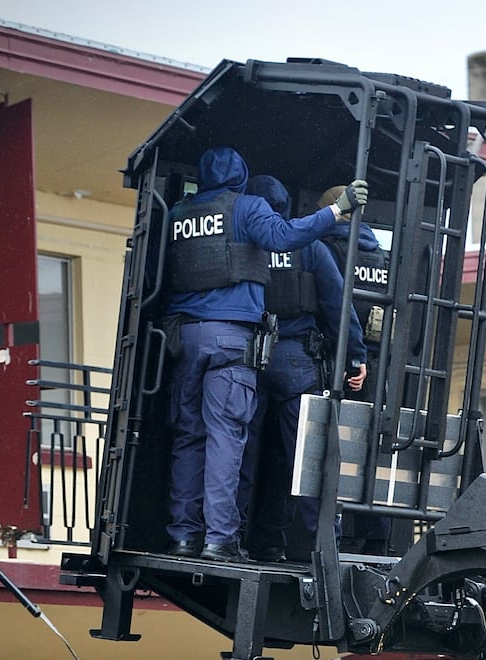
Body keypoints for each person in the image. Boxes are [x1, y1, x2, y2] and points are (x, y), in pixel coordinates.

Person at [162, 146, 366, 561]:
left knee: (191, 437)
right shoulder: (254, 215)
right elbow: (334, 302)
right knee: (279, 449)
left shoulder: (178, 215)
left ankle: (185, 536)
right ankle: (230, 540)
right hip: (248, 348)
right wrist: (337, 210)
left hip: (185, 338)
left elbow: (155, 274)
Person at [237, 175, 367, 564]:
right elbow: (337, 305)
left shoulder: (243, 242)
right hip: (297, 361)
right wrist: (355, 356)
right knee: (308, 460)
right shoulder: (309, 248)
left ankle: (233, 540)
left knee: (241, 455)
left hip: (248, 357)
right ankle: (322, 547)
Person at [317, 184, 392, 556]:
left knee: (330, 451)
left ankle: (331, 537)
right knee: (370, 451)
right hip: (375, 366)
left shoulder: (326, 248)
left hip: (337, 361)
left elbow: (334, 307)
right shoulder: (379, 254)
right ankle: (376, 536)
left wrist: (349, 358)